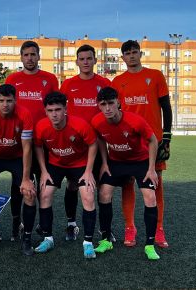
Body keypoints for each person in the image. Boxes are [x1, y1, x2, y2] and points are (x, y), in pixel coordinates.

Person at [112, 40, 172, 248]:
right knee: (127, 184)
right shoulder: (117, 81)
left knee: (156, 185)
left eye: (134, 52)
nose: (131, 56)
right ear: (122, 57)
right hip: (127, 142)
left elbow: (166, 107)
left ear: (140, 54)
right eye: (127, 53)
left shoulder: (155, 76)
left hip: (152, 141)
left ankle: (158, 229)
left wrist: (167, 136)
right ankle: (130, 227)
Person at [91, 86, 160, 260]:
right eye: (103, 104)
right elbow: (99, 138)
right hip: (117, 162)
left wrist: (151, 169)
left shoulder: (134, 121)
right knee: (104, 193)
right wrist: (105, 163)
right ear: (99, 105)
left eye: (111, 103)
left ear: (118, 103)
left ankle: (150, 245)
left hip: (140, 161)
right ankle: (106, 239)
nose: (107, 108)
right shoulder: (97, 121)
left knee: (150, 196)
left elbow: (152, 140)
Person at [5, 40, 59, 240]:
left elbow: (55, 106)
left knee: (44, 183)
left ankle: (42, 225)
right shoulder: (12, 78)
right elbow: (6, 105)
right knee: (19, 183)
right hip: (20, 143)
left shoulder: (50, 79)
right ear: (21, 57)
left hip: (45, 143)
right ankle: (15, 222)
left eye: (33, 54)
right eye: (26, 54)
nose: (29, 58)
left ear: (38, 56)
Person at [34, 91, 98, 257]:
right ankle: (48, 238)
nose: (54, 114)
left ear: (65, 109)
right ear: (45, 111)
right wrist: (43, 171)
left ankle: (88, 242)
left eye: (58, 109)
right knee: (45, 193)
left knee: (88, 195)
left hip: (79, 164)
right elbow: (38, 147)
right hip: (56, 164)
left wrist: (89, 171)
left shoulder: (80, 125)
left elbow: (93, 144)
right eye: (50, 110)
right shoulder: (41, 126)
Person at [59, 44, 112, 241]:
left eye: (89, 58)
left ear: (95, 60)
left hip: (98, 144)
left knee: (101, 187)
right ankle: (71, 225)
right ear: (77, 62)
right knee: (73, 184)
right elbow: (61, 111)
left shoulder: (105, 83)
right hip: (74, 145)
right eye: (82, 59)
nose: (86, 62)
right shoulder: (67, 85)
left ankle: (105, 230)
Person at [0, 84, 36, 255]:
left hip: (17, 156)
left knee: (29, 193)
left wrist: (26, 179)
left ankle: (26, 237)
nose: (5, 105)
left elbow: (27, 148)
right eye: (2, 101)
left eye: (9, 101)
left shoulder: (25, 114)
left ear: (15, 100)